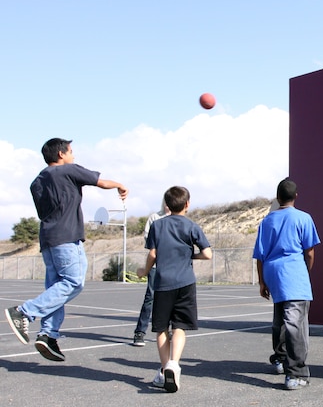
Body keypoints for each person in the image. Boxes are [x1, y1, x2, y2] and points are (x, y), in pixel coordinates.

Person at [4, 138, 128, 361]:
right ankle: (24, 312)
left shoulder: (37, 181)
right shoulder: (68, 170)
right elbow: (100, 182)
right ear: (61, 154)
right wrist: (120, 184)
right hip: (66, 237)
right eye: (71, 151)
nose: (73, 155)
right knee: (73, 282)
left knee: (56, 288)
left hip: (48, 239)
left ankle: (48, 334)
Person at [136, 186, 211, 393]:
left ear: (167, 205)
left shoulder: (157, 226)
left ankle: (163, 369)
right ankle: (173, 364)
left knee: (161, 328)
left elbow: (152, 253)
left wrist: (144, 270)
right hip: (186, 282)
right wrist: (191, 256)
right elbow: (208, 254)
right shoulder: (192, 226)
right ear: (187, 204)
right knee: (179, 326)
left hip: (163, 283)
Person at [253, 178, 320, 390]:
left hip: (274, 273)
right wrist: (305, 271)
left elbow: (260, 256)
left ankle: (280, 359)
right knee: (296, 324)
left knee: (279, 319)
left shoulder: (266, 221)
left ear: (277, 198)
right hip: (294, 273)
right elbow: (309, 252)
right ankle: (296, 373)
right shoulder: (303, 218)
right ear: (296, 197)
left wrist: (262, 282)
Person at [132, 200, 171, 347]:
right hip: (155, 267)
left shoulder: (180, 219)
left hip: (171, 267)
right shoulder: (155, 218)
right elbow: (149, 241)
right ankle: (140, 332)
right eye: (166, 202)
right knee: (150, 298)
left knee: (171, 299)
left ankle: (170, 330)